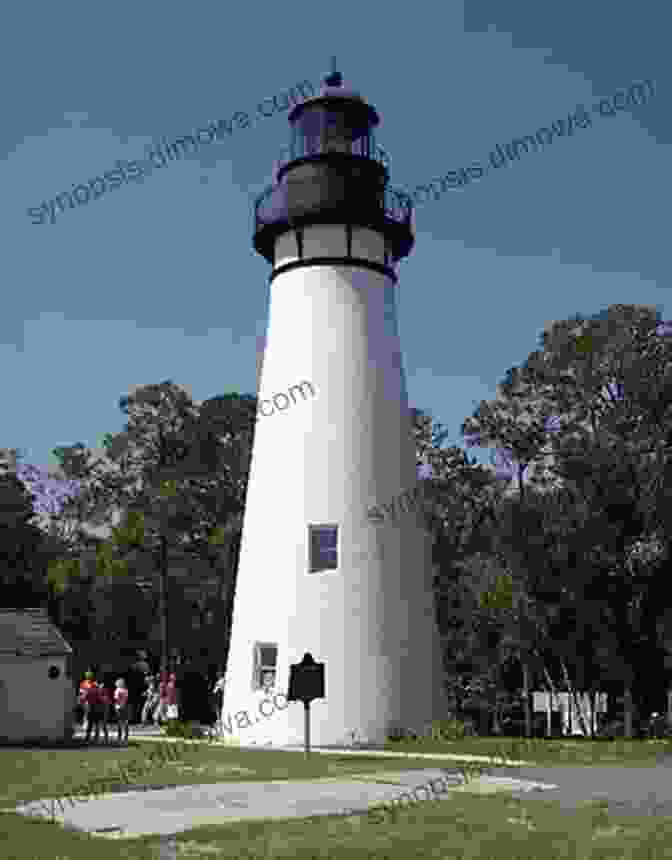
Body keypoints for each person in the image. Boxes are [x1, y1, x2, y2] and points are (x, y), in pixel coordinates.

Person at [114, 678, 130, 745]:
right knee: (125, 723)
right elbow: (126, 699)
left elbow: (116, 699)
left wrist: (118, 704)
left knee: (120, 723)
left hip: (119, 708)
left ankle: (119, 738)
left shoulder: (117, 690)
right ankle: (125, 738)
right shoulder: (126, 690)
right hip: (124, 707)